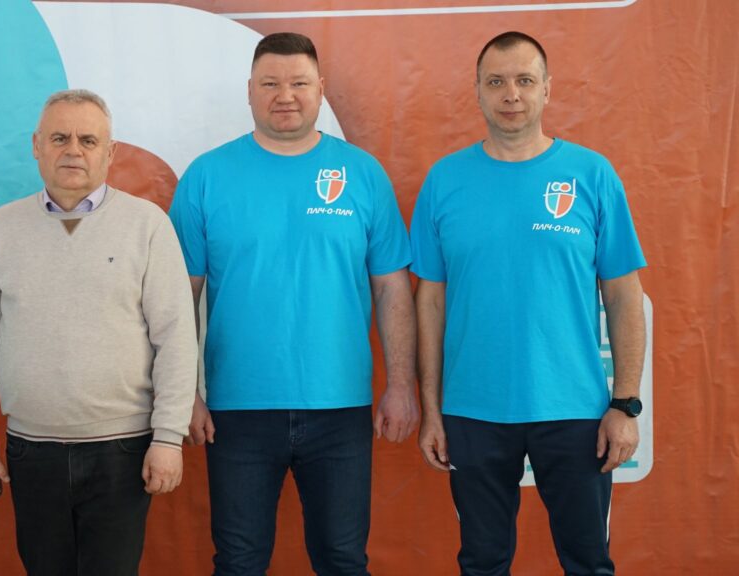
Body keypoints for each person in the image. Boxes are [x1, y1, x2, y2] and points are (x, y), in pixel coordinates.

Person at [169, 32, 419, 575]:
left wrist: (401, 384)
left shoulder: (362, 174)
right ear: (249, 91)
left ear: (320, 89)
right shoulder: (206, 177)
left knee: (343, 560)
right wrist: (184, 393)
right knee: (238, 562)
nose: (285, 95)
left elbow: (392, 288)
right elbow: (179, 299)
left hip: (340, 408)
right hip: (237, 409)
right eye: (270, 84)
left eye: (299, 83)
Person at [411, 31, 647, 575]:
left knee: (588, 561)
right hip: (473, 410)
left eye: (524, 80)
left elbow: (622, 294)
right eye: (496, 82)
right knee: (482, 562)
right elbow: (430, 303)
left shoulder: (591, 175)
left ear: (547, 89)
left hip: (575, 411)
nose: (510, 94)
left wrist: (625, 404)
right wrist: (432, 410)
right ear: (477, 91)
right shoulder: (444, 181)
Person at [0, 88, 196, 575]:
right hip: (31, 451)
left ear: (110, 151)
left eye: (88, 140)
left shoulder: (147, 226)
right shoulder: (1, 229)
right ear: (36, 145)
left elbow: (175, 338)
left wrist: (169, 437)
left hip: (122, 450)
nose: (73, 150)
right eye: (59, 138)